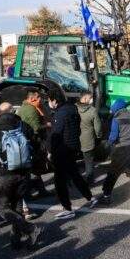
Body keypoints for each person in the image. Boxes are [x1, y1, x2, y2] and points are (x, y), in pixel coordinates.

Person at [0, 103, 41, 250]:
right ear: (13, 112)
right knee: (16, 205)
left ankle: (30, 229)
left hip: (4, 173)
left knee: (1, 207)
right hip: (24, 171)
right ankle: (16, 239)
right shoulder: (22, 125)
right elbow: (35, 143)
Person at [48, 90, 96, 220]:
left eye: (49, 100)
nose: (49, 103)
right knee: (75, 175)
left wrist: (50, 151)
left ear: (54, 101)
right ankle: (91, 198)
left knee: (60, 181)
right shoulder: (73, 109)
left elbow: (56, 134)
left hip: (61, 150)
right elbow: (78, 129)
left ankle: (67, 209)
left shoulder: (60, 113)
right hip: (73, 147)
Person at [16, 89, 50, 200]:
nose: (40, 100)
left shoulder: (24, 107)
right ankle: (28, 193)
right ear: (31, 99)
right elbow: (36, 129)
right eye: (38, 98)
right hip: (33, 143)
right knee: (33, 168)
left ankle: (41, 190)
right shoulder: (31, 110)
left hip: (28, 142)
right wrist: (47, 125)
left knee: (34, 169)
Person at [76, 91, 101, 182]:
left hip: (75, 139)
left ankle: (73, 179)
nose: (92, 100)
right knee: (89, 161)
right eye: (90, 98)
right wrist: (99, 136)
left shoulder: (74, 108)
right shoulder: (92, 110)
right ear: (85, 98)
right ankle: (89, 179)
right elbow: (97, 127)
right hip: (88, 140)